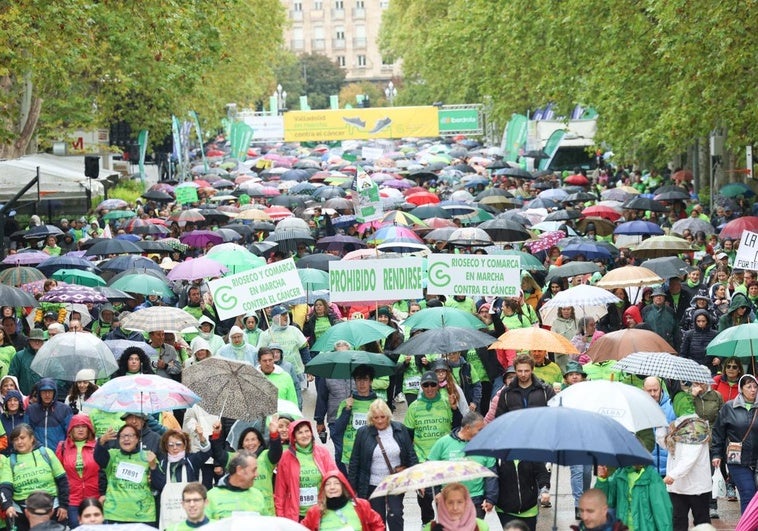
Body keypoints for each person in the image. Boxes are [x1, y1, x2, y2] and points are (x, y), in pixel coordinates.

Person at [348, 399, 417, 531]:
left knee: (395, 515)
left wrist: (415, 477)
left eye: (382, 417)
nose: (379, 421)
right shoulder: (363, 433)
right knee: (377, 519)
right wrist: (352, 487)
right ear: (371, 418)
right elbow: (355, 461)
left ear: (388, 416)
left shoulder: (400, 429)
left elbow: (410, 454)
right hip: (373, 483)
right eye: (376, 418)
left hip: (395, 482)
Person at [404, 371, 462, 524]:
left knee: (444, 499)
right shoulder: (414, 407)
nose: (429, 388)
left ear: (438, 385)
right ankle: (427, 524)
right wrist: (412, 462)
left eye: (432, 384)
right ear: (421, 386)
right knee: (425, 499)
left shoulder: (446, 402)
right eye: (425, 385)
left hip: (443, 460)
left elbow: (458, 428)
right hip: (422, 460)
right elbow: (407, 437)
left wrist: (455, 409)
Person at [428, 412, 497, 519]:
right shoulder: (443, 443)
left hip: (476, 500)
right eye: (479, 430)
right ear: (468, 428)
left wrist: (490, 499)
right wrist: (436, 493)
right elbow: (429, 469)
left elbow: (491, 475)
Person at [0, 425, 70, 531]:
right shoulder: (10, 461)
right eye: (15, 439)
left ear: (32, 438)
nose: (19, 442)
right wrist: (7, 506)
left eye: (22, 438)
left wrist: (64, 506)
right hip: (20, 511)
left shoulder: (47, 453)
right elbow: (5, 487)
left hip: (51, 507)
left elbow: (62, 481)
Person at [711, 373, 758, 513]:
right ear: (741, 388)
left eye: (755, 386)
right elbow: (718, 432)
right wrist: (716, 454)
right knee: (748, 493)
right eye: (749, 386)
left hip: (756, 460)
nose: (753, 390)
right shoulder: (729, 407)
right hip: (737, 460)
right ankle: (747, 527)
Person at [94, 423, 158, 525]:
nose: (126, 439)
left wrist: (153, 466)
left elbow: (159, 483)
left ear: (137, 439)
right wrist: (101, 441)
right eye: (123, 436)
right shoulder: (112, 455)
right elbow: (98, 457)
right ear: (118, 440)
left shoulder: (148, 456)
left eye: (130, 436)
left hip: (143, 515)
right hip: (115, 514)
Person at [275, 418, 337, 521]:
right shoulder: (285, 458)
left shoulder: (323, 453)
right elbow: (280, 492)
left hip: (321, 512)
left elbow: (335, 479)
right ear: (293, 437)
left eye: (307, 431)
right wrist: (280, 518)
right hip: (296, 515)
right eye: (300, 433)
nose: (305, 435)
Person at [657, 414, 712, 530]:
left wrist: (672, 475)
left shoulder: (697, 426)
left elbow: (689, 458)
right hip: (677, 488)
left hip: (697, 487)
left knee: (701, 523)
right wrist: (659, 424)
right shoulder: (676, 423)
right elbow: (665, 443)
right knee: (678, 521)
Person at [151, 428, 212, 530]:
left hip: (190, 505)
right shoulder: (162, 463)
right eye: (171, 445)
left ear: (185, 445)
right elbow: (159, 485)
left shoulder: (192, 460)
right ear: (166, 446)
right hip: (168, 509)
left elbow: (206, 453)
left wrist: (201, 437)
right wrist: (153, 467)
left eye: (178, 444)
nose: (175, 447)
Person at [596, 463, 673, 531]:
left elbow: (662, 511)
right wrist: (602, 479)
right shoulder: (620, 473)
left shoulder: (652, 476)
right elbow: (608, 500)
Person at [302, 470, 385, 531]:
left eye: (336, 483)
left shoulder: (361, 505)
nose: (332, 487)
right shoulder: (314, 512)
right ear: (323, 489)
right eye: (328, 484)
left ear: (343, 486)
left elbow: (378, 524)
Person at [55, 415, 99, 528]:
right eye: (77, 426)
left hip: (95, 497)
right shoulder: (62, 447)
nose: (80, 429)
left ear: (89, 428)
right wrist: (62, 502)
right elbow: (57, 475)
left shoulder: (98, 446)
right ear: (71, 429)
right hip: (72, 498)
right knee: (76, 526)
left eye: (83, 426)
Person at [332, 365, 379, 471]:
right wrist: (347, 410)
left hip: (371, 455)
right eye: (358, 379)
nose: (362, 383)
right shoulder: (345, 403)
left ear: (371, 381)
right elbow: (337, 429)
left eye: (365, 379)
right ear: (354, 381)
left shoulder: (378, 404)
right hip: (350, 455)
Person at [205, 450, 270, 519]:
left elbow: (266, 524)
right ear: (239, 470)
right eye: (253, 470)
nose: (257, 474)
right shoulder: (211, 496)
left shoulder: (258, 495)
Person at [495, 458, 550, 530]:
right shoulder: (499, 457)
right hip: (505, 510)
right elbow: (491, 479)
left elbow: (542, 473)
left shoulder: (530, 453)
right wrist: (489, 499)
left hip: (529, 508)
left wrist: (544, 490)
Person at [24, 377, 72, 450]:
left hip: (59, 453)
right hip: (38, 453)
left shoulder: (64, 409)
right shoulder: (31, 410)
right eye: (44, 392)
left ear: (54, 393)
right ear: (39, 393)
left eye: (50, 391)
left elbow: (70, 433)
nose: (47, 395)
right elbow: (26, 432)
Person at [424, 482, 489, 531]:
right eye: (450, 502)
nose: (455, 507)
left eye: (460, 502)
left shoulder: (480, 526)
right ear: (443, 504)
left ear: (466, 504)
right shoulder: (430, 528)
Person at [8, 328, 46, 395]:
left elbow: (57, 374)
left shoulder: (48, 357)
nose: (37, 342)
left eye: (39, 340)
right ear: (29, 341)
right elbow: (12, 376)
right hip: (24, 397)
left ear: (43, 341)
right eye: (34, 340)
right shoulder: (19, 356)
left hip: (45, 396)